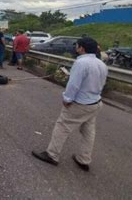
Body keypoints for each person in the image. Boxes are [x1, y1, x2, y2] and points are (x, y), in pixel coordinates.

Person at [32, 37, 108, 172]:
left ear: (82, 48)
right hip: (95, 102)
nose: (76, 48)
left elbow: (73, 85)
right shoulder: (101, 64)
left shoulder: (81, 63)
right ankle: (83, 159)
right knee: (88, 132)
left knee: (62, 126)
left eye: (77, 46)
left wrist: (67, 99)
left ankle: (52, 154)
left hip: (80, 103)